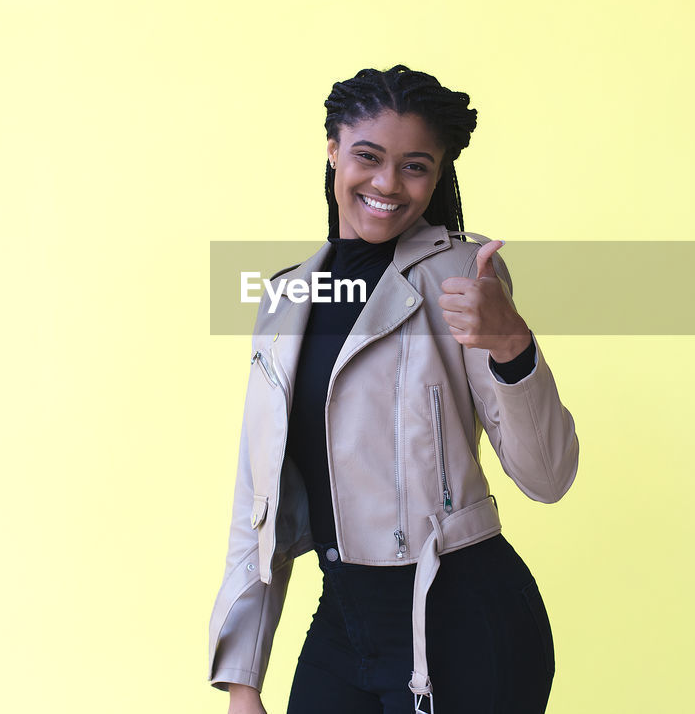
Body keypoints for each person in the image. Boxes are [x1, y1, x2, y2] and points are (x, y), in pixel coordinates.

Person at [207, 64, 580, 714]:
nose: (387, 183)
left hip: (464, 617)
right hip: (344, 615)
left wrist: (511, 345)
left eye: (415, 166)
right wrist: (244, 678)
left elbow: (548, 476)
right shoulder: (286, 298)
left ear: (437, 175)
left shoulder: (463, 276)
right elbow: (256, 498)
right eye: (368, 156)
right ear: (333, 151)